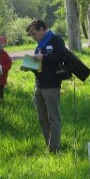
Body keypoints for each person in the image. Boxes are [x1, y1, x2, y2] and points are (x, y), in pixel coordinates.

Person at [26, 19, 67, 153]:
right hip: (39, 83)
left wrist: (43, 58)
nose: (33, 37)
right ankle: (49, 146)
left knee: (53, 118)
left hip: (52, 83)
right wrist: (30, 65)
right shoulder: (39, 45)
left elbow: (62, 57)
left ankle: (55, 148)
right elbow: (39, 64)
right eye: (31, 34)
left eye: (34, 33)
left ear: (42, 29)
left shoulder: (55, 40)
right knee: (42, 118)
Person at [0, 36, 12, 102]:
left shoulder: (5, 54)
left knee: (0, 89)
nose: (0, 44)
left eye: (2, 43)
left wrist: (2, 68)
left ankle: (1, 101)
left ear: (5, 44)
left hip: (2, 76)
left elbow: (9, 64)